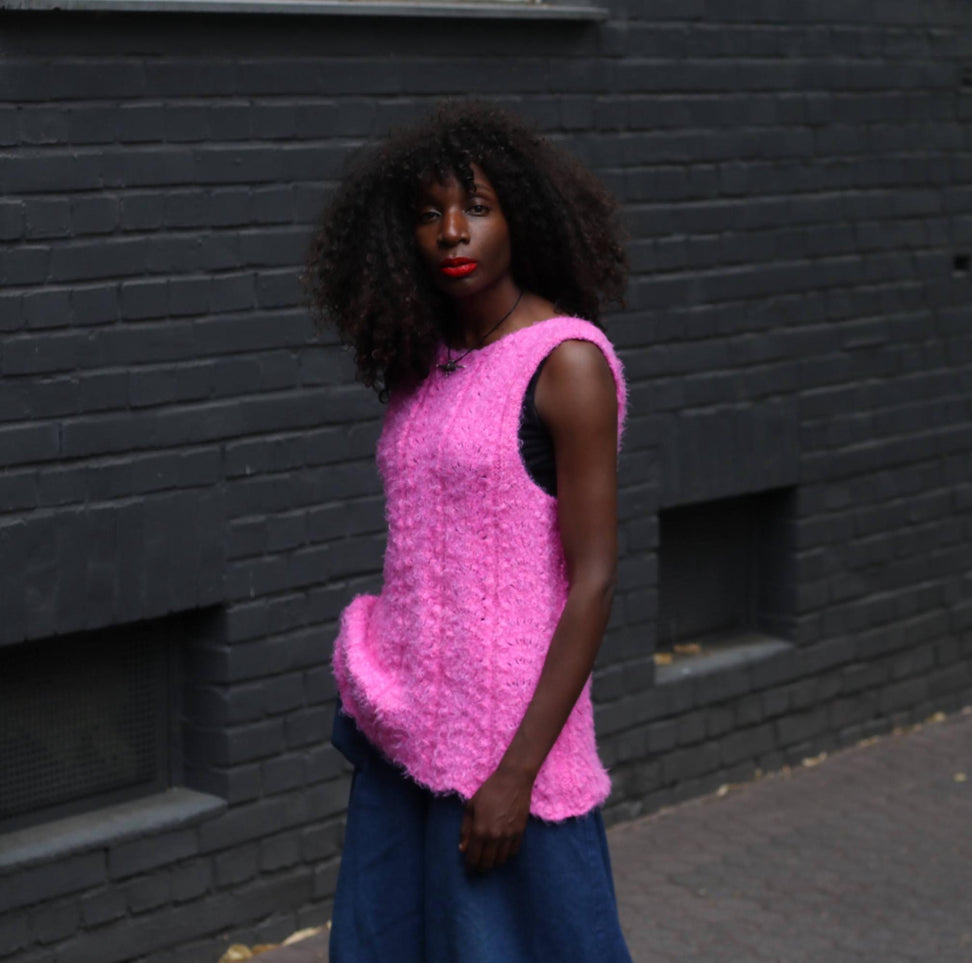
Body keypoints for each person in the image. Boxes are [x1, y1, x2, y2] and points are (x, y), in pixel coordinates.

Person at [304, 100, 634, 963]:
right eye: (428, 214)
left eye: (476, 208)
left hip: (507, 748)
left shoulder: (566, 362)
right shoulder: (426, 360)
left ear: (521, 214)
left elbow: (593, 578)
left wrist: (516, 775)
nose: (452, 232)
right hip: (404, 727)